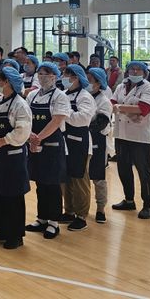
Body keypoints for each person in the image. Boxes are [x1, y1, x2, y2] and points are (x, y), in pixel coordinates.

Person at [0, 67, 32, 250]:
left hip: (13, 157)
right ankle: (2, 228)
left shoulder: (20, 105)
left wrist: (3, 141)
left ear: (8, 83)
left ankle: (15, 235)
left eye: (0, 81)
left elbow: (22, 131)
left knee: (13, 195)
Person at [25, 62, 69, 240]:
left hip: (52, 145)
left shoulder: (60, 96)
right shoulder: (32, 95)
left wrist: (38, 137)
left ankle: (54, 221)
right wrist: (30, 136)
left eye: (47, 73)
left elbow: (56, 121)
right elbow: (26, 117)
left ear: (54, 76)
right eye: (40, 73)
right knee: (40, 183)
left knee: (52, 184)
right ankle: (42, 218)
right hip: (34, 143)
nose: (43, 76)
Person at [111, 61, 150, 219]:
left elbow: (143, 109)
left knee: (144, 171)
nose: (135, 72)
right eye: (132, 69)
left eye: (139, 70)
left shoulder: (147, 88)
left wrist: (120, 108)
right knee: (123, 169)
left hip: (139, 136)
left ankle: (147, 205)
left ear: (145, 73)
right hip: (121, 134)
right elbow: (111, 103)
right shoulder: (121, 87)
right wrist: (126, 109)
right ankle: (129, 200)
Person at [58, 65, 96, 231]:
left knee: (80, 180)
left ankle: (81, 216)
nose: (64, 78)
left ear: (77, 78)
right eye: (64, 74)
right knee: (66, 179)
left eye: (68, 75)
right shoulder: (63, 94)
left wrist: (64, 114)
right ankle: (69, 211)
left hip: (80, 143)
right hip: (65, 141)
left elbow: (83, 119)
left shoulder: (85, 97)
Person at [87, 67, 113, 222]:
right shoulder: (82, 96)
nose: (87, 82)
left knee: (98, 177)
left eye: (90, 80)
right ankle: (78, 207)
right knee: (80, 177)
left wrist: (82, 126)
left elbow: (100, 123)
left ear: (98, 82)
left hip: (97, 141)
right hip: (81, 140)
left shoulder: (104, 101)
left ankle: (101, 208)